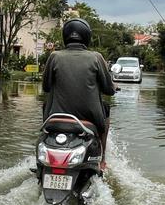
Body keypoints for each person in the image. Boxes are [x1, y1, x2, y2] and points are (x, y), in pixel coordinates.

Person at [42, 19, 116, 149]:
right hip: (90, 118)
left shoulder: (54, 56)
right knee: (106, 109)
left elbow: (46, 87)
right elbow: (109, 90)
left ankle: (44, 141)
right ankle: (103, 158)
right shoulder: (96, 57)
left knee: (45, 105)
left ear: (65, 36)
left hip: (55, 118)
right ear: (87, 37)